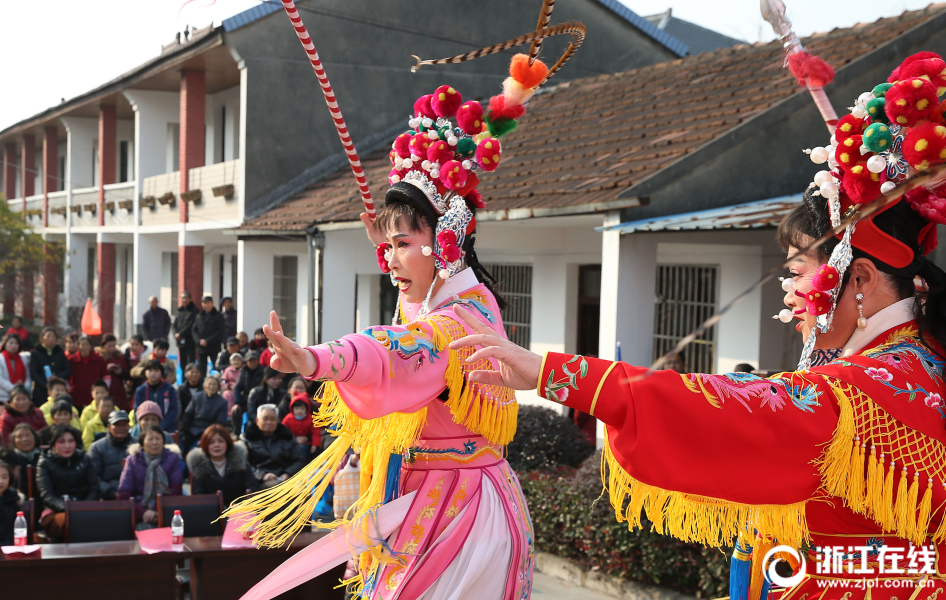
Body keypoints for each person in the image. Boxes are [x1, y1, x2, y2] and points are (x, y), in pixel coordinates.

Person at [448, 51, 946, 600]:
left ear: (860, 279)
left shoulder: (864, 391)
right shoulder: (919, 364)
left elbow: (732, 407)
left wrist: (552, 371)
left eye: (799, 269)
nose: (790, 289)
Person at [226, 68, 536, 599]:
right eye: (386, 247)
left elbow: (395, 351)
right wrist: (399, 248)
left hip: (459, 506)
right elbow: (406, 320)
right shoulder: (441, 298)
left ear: (445, 241)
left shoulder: (461, 318)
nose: (391, 260)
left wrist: (315, 360)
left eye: (402, 244)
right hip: (428, 491)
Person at [36, 424, 99, 538]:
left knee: (109, 519)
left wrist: (82, 508)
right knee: (70, 521)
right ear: (53, 445)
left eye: (71, 441)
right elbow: (47, 496)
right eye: (62, 442)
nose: (67, 446)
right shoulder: (44, 463)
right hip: (56, 512)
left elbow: (94, 489)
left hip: (84, 509)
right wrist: (70, 509)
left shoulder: (84, 459)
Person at [117, 425, 182, 529]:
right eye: (150, 439)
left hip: (167, 510)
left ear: (163, 442)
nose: (155, 442)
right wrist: (143, 513)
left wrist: (157, 511)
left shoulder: (173, 459)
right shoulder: (132, 461)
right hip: (139, 511)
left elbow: (176, 491)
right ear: (142, 444)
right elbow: (124, 493)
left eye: (158, 439)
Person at [186, 424, 257, 507]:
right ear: (205, 445)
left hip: (240, 512)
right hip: (212, 513)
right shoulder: (199, 466)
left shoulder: (240, 462)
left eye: (220, 441)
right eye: (211, 442)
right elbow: (199, 496)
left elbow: (252, 488)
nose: (216, 445)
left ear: (227, 443)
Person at [240, 404, 303, 488]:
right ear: (257, 420)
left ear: (277, 420)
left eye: (273, 419)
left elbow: (298, 460)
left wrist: (287, 473)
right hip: (259, 482)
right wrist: (262, 475)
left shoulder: (287, 437)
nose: (269, 422)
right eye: (265, 419)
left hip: (284, 479)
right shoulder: (247, 438)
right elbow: (244, 464)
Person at [88, 410, 135, 500]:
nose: (121, 428)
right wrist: (112, 493)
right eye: (117, 425)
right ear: (109, 427)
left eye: (124, 425)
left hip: (135, 496)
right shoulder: (96, 448)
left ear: (129, 426)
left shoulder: (138, 445)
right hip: (107, 498)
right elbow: (94, 477)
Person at [180, 375, 227, 452]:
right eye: (209, 384)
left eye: (214, 384)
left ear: (218, 387)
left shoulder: (222, 402)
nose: (211, 386)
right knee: (184, 443)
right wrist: (184, 430)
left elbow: (220, 422)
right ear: (205, 386)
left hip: (209, 430)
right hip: (194, 428)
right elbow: (188, 415)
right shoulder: (196, 397)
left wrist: (210, 434)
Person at [29, 326, 71, 406]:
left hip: (58, 391)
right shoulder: (36, 353)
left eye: (53, 336)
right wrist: (45, 384)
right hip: (41, 391)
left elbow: (68, 369)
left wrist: (57, 377)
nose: (50, 338)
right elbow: (34, 373)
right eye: (48, 336)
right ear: (42, 338)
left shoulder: (60, 352)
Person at [133, 360, 178, 432]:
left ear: (161, 373)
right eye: (150, 370)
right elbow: (136, 410)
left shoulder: (169, 389)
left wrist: (162, 426)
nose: (153, 373)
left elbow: (174, 410)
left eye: (156, 370)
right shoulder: (140, 390)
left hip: (167, 428)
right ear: (145, 372)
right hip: (144, 428)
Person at [68, 336, 108, 409]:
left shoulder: (99, 359)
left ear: (90, 346)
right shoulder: (71, 360)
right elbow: (67, 376)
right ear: (78, 346)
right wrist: (69, 388)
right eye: (82, 345)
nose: (85, 347)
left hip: (94, 395)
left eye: (87, 345)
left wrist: (104, 390)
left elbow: (106, 376)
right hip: (77, 395)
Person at [230, 351, 263, 432]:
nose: (252, 363)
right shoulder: (243, 371)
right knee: (235, 412)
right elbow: (238, 387)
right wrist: (237, 403)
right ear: (246, 362)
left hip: (259, 400)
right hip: (245, 399)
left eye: (254, 360)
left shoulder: (263, 371)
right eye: (250, 361)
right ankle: (237, 433)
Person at [192, 295, 224, 378]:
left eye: (208, 303)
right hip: (201, 348)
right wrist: (199, 341)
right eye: (204, 303)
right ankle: (202, 386)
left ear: (212, 303)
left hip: (214, 347)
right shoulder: (199, 316)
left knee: (216, 367)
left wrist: (208, 341)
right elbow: (194, 330)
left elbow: (219, 331)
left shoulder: (218, 316)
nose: (206, 305)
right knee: (201, 369)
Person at [97, 334, 130, 410]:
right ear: (103, 346)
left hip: (119, 390)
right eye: (109, 346)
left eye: (114, 346)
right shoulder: (99, 358)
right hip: (106, 390)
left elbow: (128, 374)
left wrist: (121, 371)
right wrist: (106, 370)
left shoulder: (120, 356)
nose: (112, 348)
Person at [9, 424, 40, 495]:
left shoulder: (44, 456)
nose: (25, 439)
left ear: (34, 437)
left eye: (28, 435)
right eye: (20, 436)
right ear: (14, 441)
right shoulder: (11, 460)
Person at [0, 333, 30, 404]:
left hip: (21, 397)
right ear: (5, 344)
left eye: (16, 343)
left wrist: (25, 388)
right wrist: (14, 389)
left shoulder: (24, 359)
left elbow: (28, 376)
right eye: (11, 343)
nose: (13, 345)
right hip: (3, 396)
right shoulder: (1, 358)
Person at [0, 460, 25, 546]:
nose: (1, 481)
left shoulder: (14, 499)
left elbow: (14, 530)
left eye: (4, 477)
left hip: (10, 547)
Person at [173, 291, 199, 371]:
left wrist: (181, 334)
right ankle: (184, 381)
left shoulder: (194, 311)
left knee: (190, 363)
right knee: (182, 364)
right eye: (183, 298)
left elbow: (191, 325)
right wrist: (176, 334)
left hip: (190, 341)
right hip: (180, 342)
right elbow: (174, 325)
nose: (184, 300)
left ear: (190, 299)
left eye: (186, 298)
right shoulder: (180, 311)